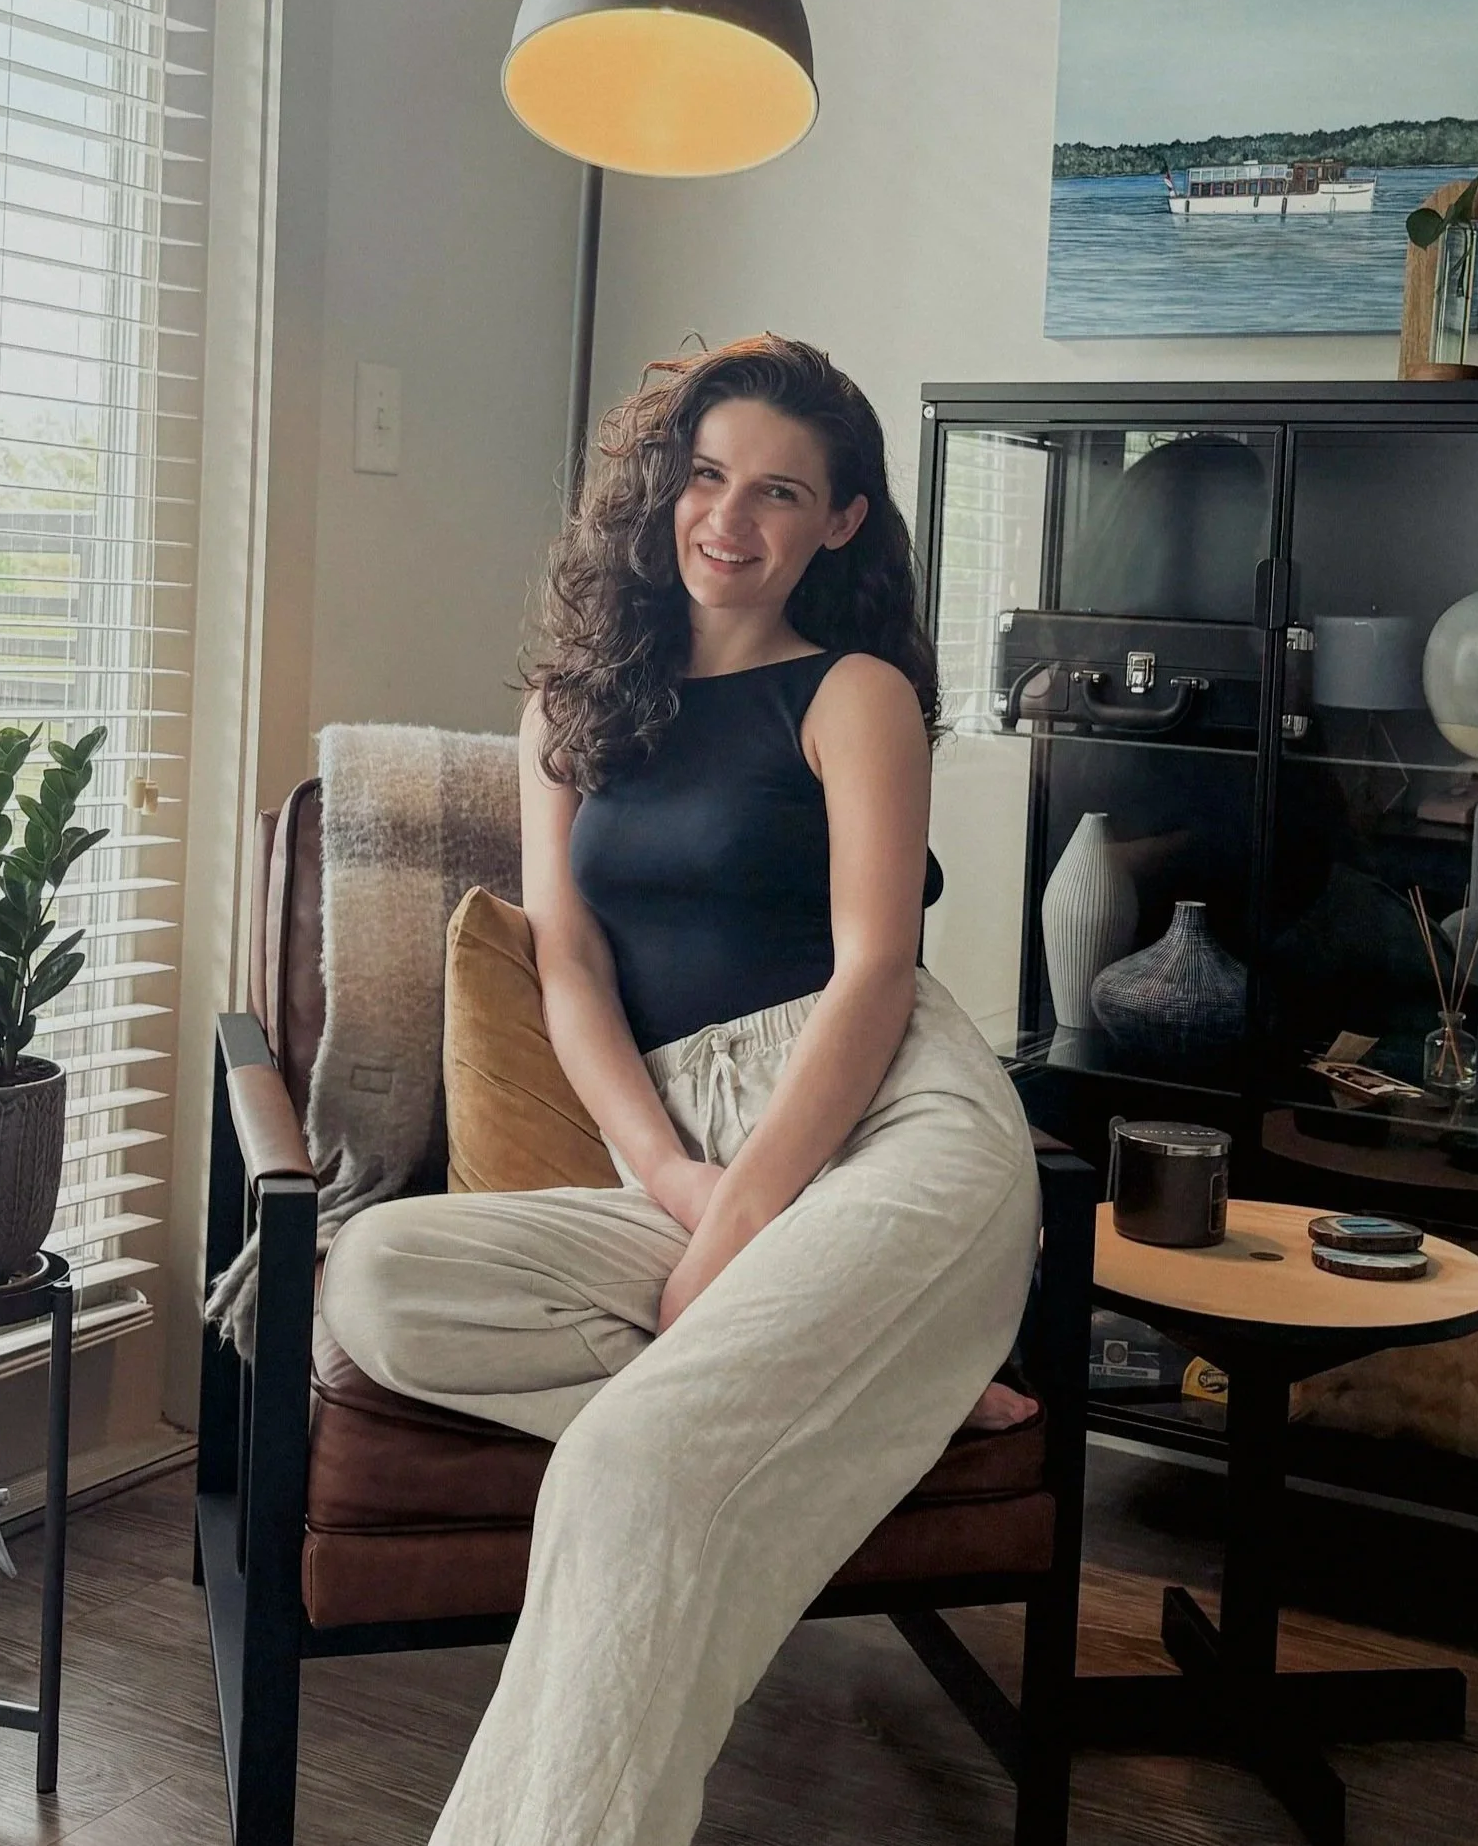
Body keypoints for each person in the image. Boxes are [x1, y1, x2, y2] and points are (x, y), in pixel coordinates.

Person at [318, 335, 1043, 1846]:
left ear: (840, 524)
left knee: (632, 1466)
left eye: (781, 492)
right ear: (661, 488)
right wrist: (674, 1182)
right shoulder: (569, 711)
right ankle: (882, 1381)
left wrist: (746, 1219)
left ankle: (860, 1347)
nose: (730, 517)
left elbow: (876, 973)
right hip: (685, 1143)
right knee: (375, 1277)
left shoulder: (852, 694)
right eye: (707, 476)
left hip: (883, 1122)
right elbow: (569, 963)